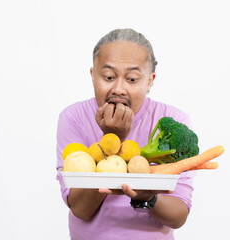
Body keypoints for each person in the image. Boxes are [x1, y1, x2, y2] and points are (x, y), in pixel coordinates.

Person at [56, 28, 196, 240]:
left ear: (149, 81)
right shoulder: (73, 118)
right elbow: (80, 209)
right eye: (109, 76)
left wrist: (149, 198)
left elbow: (179, 216)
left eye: (132, 79)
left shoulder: (173, 119)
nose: (119, 89)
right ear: (93, 76)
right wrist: (113, 139)